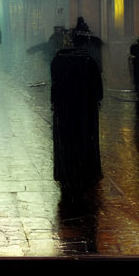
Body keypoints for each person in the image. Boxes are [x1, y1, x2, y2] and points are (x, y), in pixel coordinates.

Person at [49, 29, 104, 198]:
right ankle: (84, 173)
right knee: (84, 140)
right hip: (84, 111)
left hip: (64, 110)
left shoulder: (57, 61)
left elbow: (54, 88)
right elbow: (98, 92)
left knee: (65, 142)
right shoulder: (89, 61)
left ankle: (66, 174)